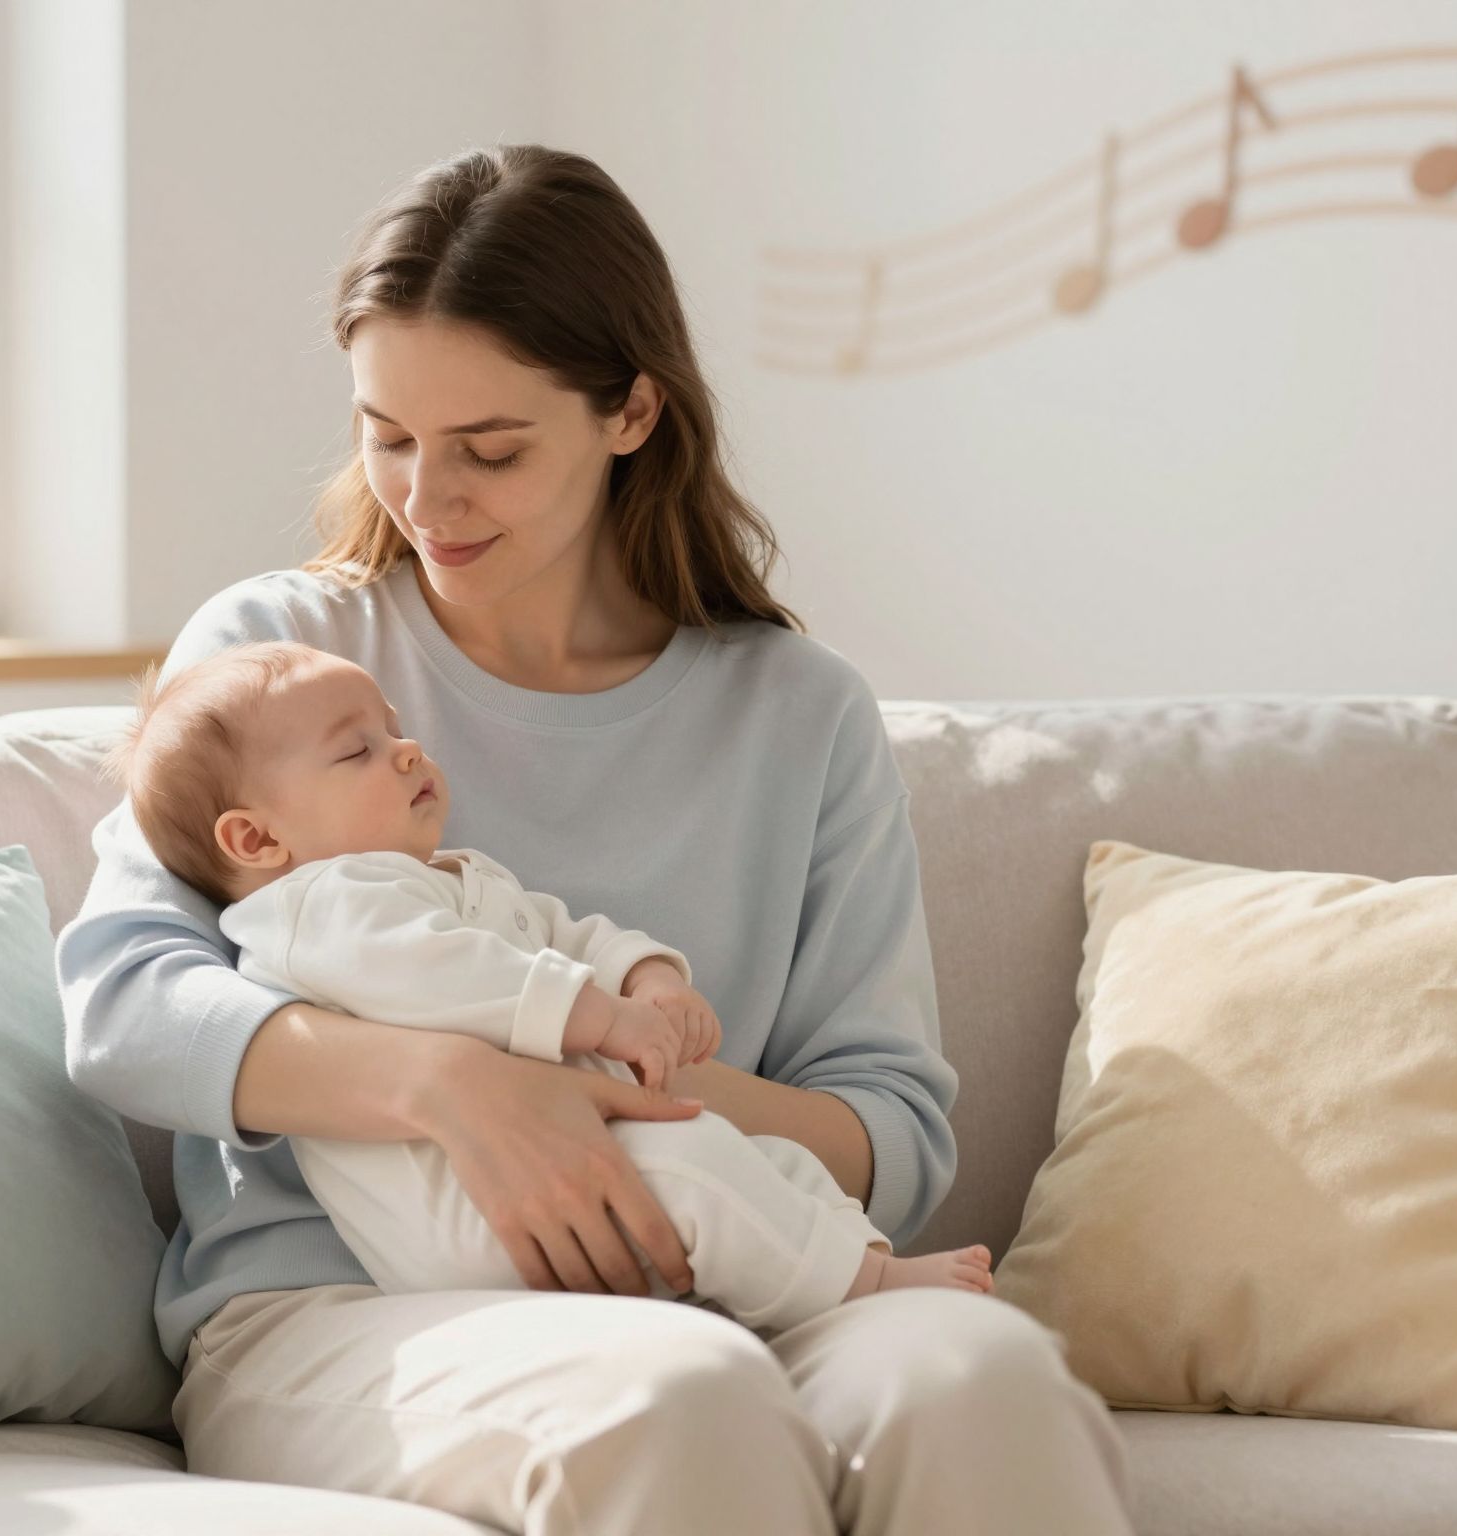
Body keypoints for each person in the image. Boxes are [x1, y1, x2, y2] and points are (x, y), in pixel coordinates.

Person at [57, 142, 1132, 1534]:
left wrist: (609, 1103)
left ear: (630, 413)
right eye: (389, 435)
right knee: (676, 1403)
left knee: (986, 1379)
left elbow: (893, 1131)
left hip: (742, 1274)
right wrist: (454, 1089)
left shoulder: (797, 713)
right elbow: (124, 1006)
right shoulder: (281, 657)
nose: (425, 500)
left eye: (490, 450)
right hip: (342, 1305)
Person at [101, 637, 999, 1334]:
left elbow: (566, 932)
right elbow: (443, 973)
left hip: (564, 1166)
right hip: (463, 1216)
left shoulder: (454, 876)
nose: (408, 752)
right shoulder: (315, 910)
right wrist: (598, 1017)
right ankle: (865, 1284)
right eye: (358, 752)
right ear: (256, 841)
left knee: (760, 1160)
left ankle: (850, 1264)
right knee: (700, 1166)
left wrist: (647, 979)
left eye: (395, 728)